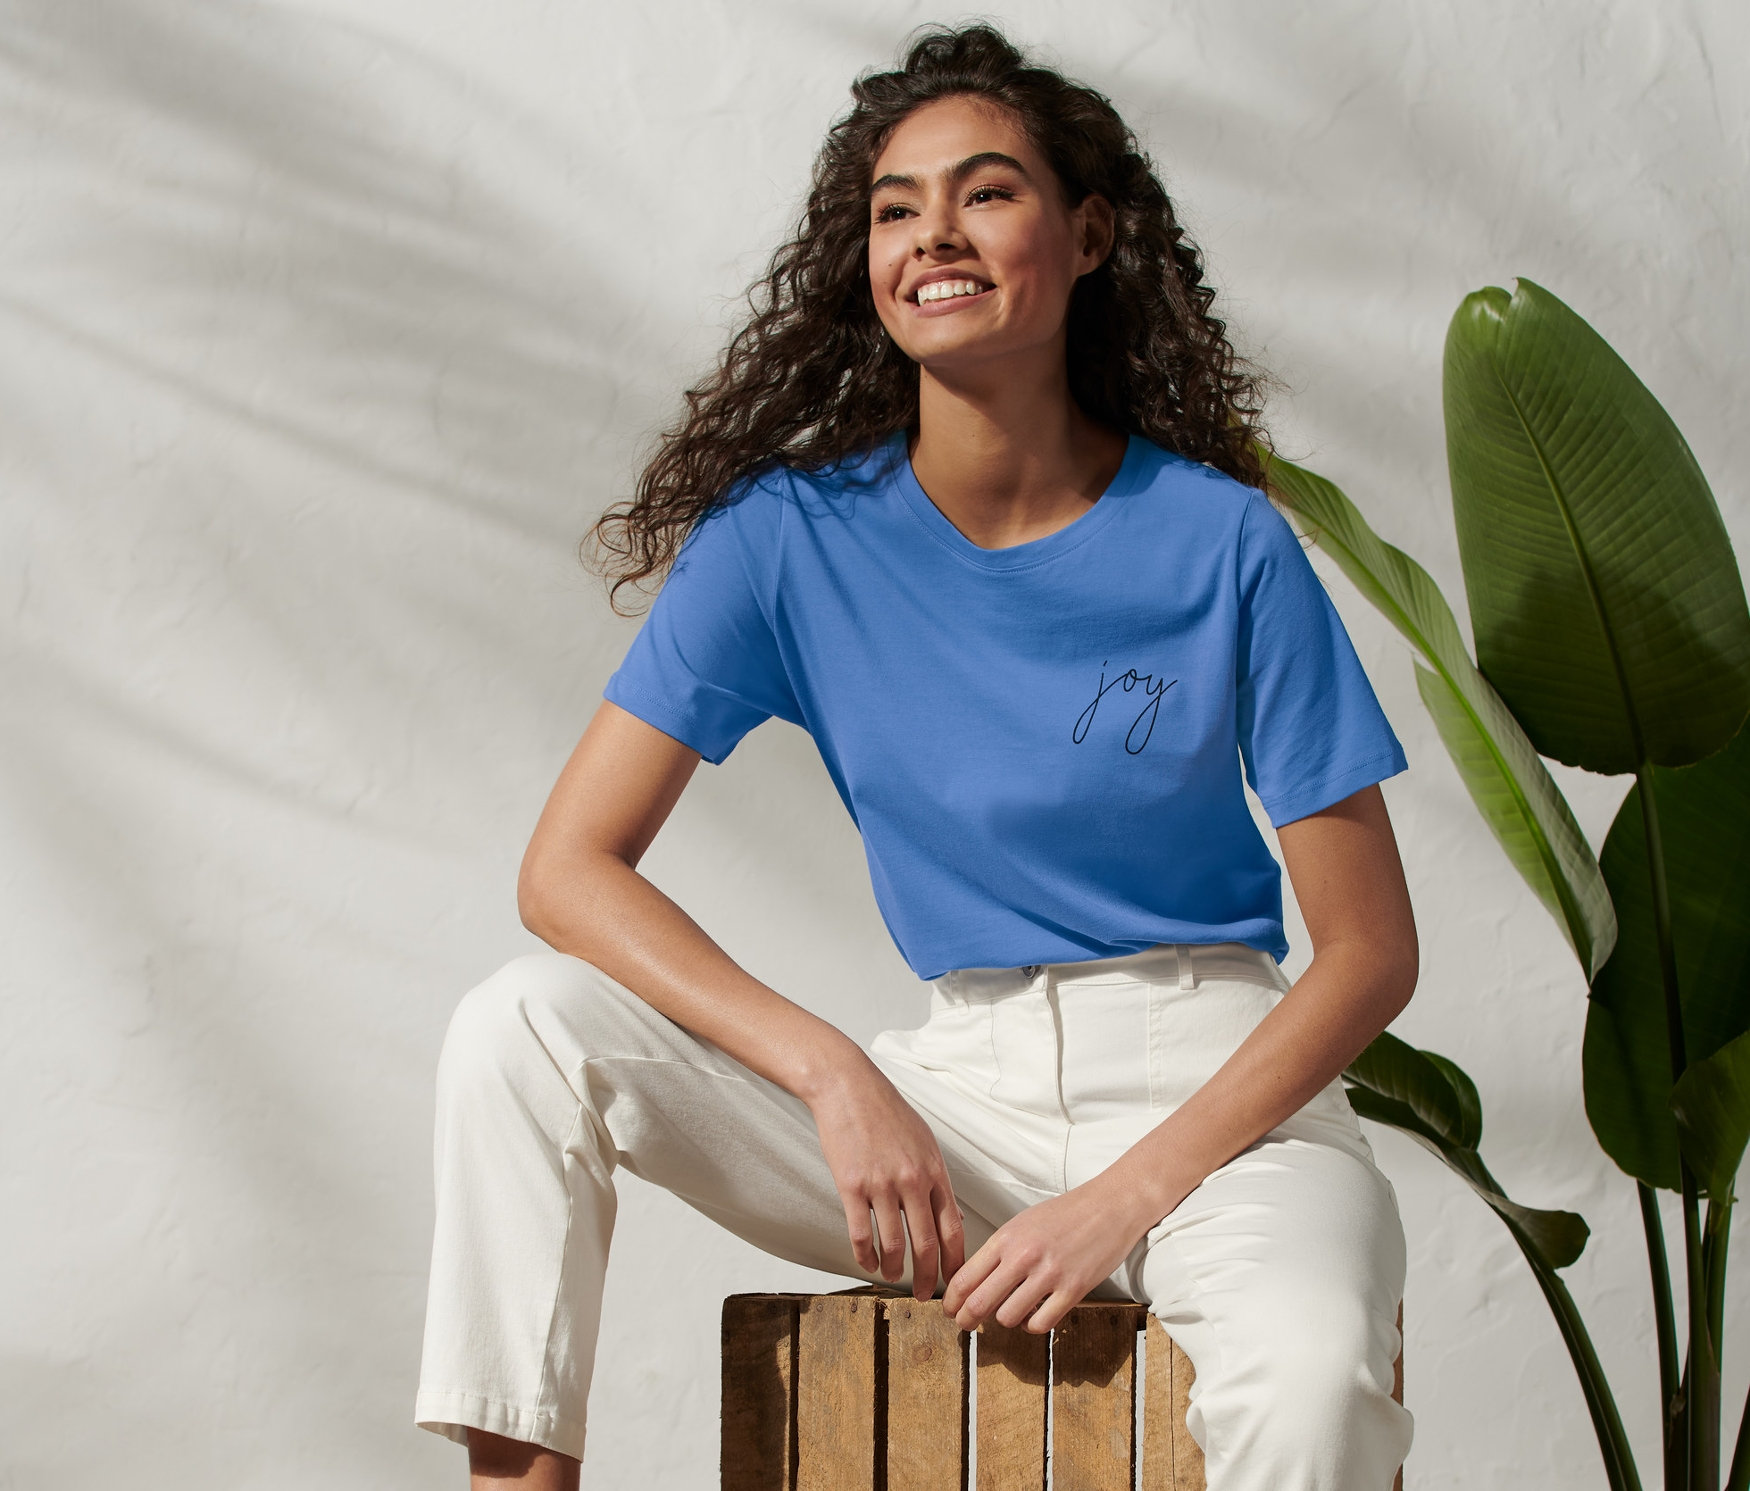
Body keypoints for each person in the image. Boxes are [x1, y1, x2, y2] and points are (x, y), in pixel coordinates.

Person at [414, 21, 1418, 1491]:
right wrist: (829, 1071)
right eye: (895, 208)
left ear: (1086, 238)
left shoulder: (1220, 541)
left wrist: (1127, 1197)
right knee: (525, 1029)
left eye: (986, 193)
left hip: (1219, 1116)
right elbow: (567, 872)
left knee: (1314, 1382)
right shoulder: (787, 543)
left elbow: (1368, 952)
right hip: (957, 1106)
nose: (931, 235)